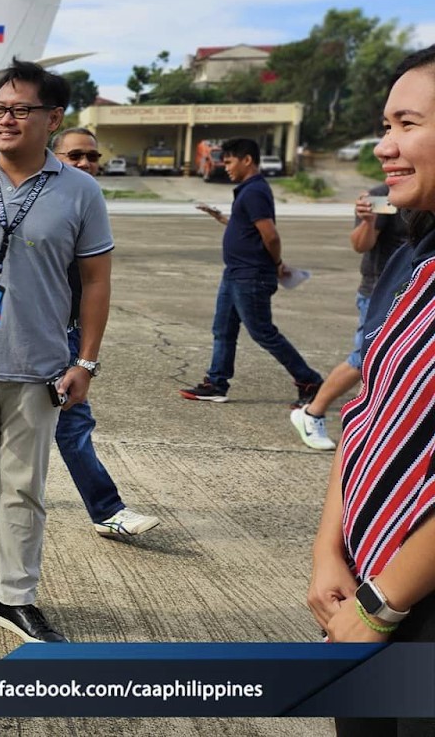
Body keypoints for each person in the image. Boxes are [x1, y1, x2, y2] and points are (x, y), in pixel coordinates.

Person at [0, 61, 114, 644]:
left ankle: (16, 596)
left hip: (40, 366)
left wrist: (84, 362)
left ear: (53, 118)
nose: (5, 119)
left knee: (24, 487)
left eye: (20, 109)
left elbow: (95, 280)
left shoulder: (79, 189)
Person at [307, 46, 435, 737]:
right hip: (370, 579)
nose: (384, 146)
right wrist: (332, 550)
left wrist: (382, 603)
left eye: (406, 123)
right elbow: (371, 415)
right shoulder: (417, 262)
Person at [50, 128, 161, 538]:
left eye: (92, 156)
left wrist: (85, 356)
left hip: (67, 336)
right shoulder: (35, 205)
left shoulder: (88, 205)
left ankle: (106, 510)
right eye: (75, 155)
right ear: (54, 156)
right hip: (21, 338)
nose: (86, 163)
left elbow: (97, 283)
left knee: (73, 425)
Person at [182, 137, 322, 404]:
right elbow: (248, 228)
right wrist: (222, 218)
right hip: (234, 273)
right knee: (223, 329)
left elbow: (270, 236)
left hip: (251, 275)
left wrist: (277, 263)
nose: (226, 167)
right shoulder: (248, 191)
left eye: (230, 161)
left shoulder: (255, 191)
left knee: (262, 332)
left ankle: (310, 381)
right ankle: (216, 383)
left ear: (247, 160)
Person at [289, 182, 407, 451]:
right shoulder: (383, 196)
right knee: (362, 359)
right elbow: (360, 244)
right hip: (381, 291)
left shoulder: (424, 192)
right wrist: (367, 221)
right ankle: (311, 413)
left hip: (417, 289)